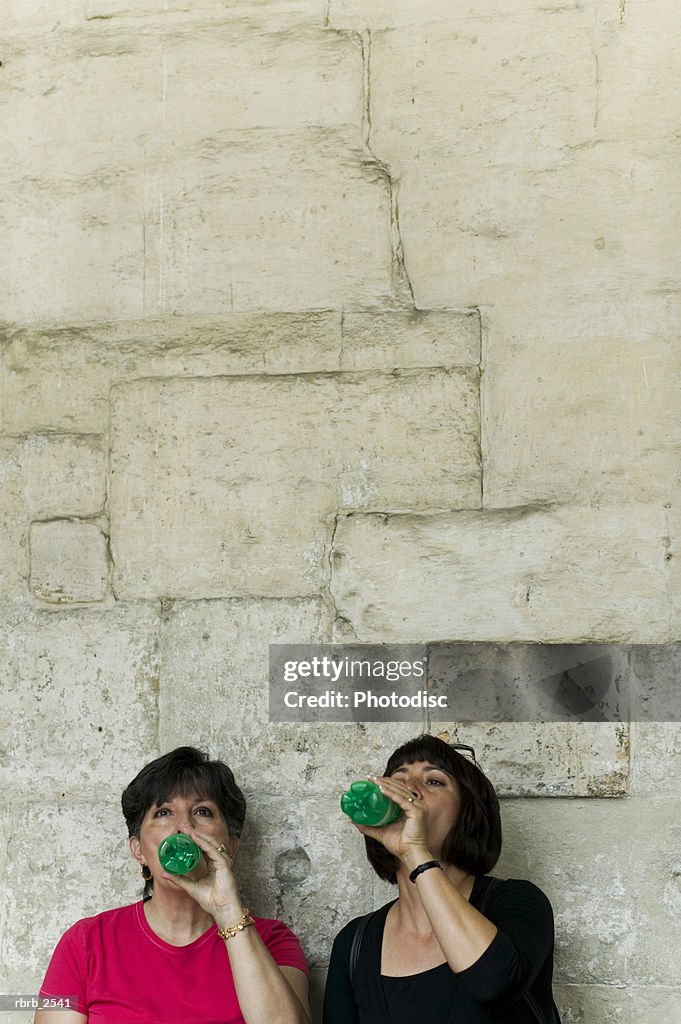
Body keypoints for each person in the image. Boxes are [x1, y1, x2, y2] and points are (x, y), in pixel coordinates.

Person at [35, 746, 311, 1024]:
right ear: (138, 849)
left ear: (231, 846)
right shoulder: (86, 944)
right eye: (164, 812)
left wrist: (228, 912)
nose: (183, 827)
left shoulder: (272, 941)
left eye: (202, 812)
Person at [323, 734, 561, 1024]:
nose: (409, 789)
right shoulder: (355, 944)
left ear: (467, 813)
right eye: (398, 779)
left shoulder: (516, 902)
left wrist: (415, 853)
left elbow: (494, 983)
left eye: (433, 781)